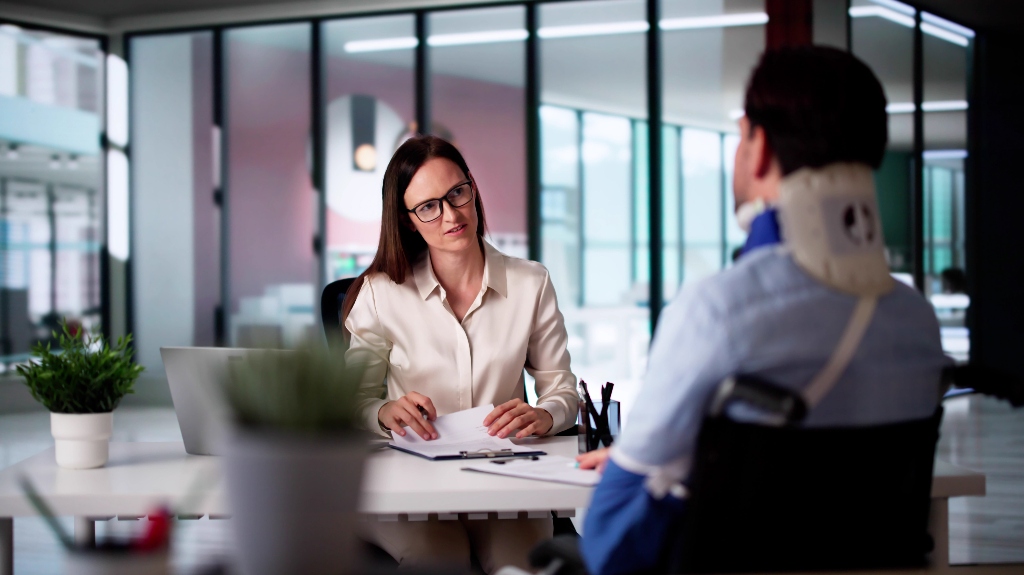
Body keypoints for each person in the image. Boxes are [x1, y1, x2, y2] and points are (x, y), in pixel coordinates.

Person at [576, 46, 951, 575]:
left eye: (741, 135)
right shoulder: (917, 321)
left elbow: (609, 543)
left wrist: (655, 473)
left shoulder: (719, 311)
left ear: (760, 147)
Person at [341, 135, 578, 572]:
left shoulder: (531, 283)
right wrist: (382, 411)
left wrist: (545, 415)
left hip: (504, 477)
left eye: (457, 193)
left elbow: (561, 388)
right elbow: (350, 401)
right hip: (410, 483)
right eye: (428, 206)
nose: (450, 214)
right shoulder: (380, 293)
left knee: (520, 563)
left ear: (472, 189)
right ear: (408, 220)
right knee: (439, 557)